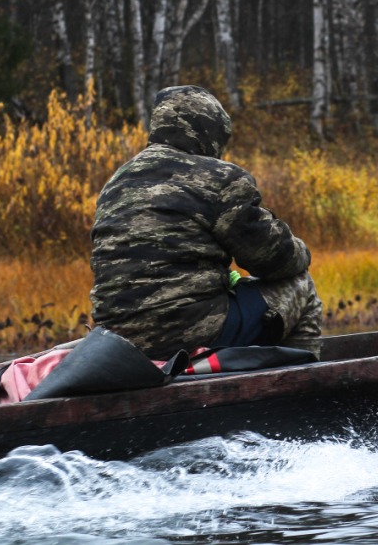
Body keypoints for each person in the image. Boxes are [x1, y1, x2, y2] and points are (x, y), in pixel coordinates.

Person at [89, 85, 322, 360]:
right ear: (210, 131)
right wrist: (302, 252)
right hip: (186, 333)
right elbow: (275, 257)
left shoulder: (116, 182)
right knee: (301, 284)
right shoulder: (217, 177)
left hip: (113, 340)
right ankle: (301, 386)